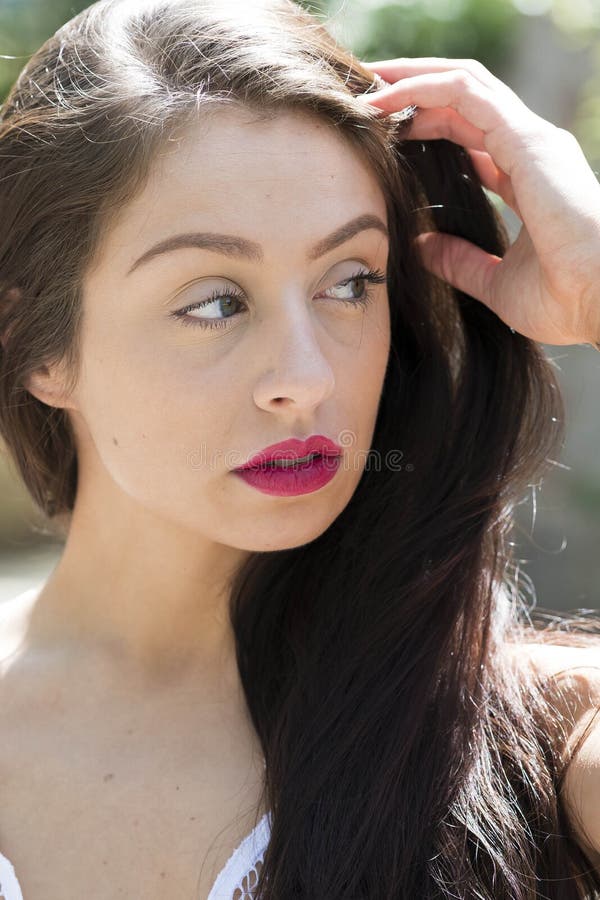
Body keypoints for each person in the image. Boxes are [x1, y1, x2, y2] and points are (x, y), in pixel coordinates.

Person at [0, 0, 599, 897]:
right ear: (40, 345)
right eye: (215, 301)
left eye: (350, 281)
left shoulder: (535, 736)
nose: (308, 377)